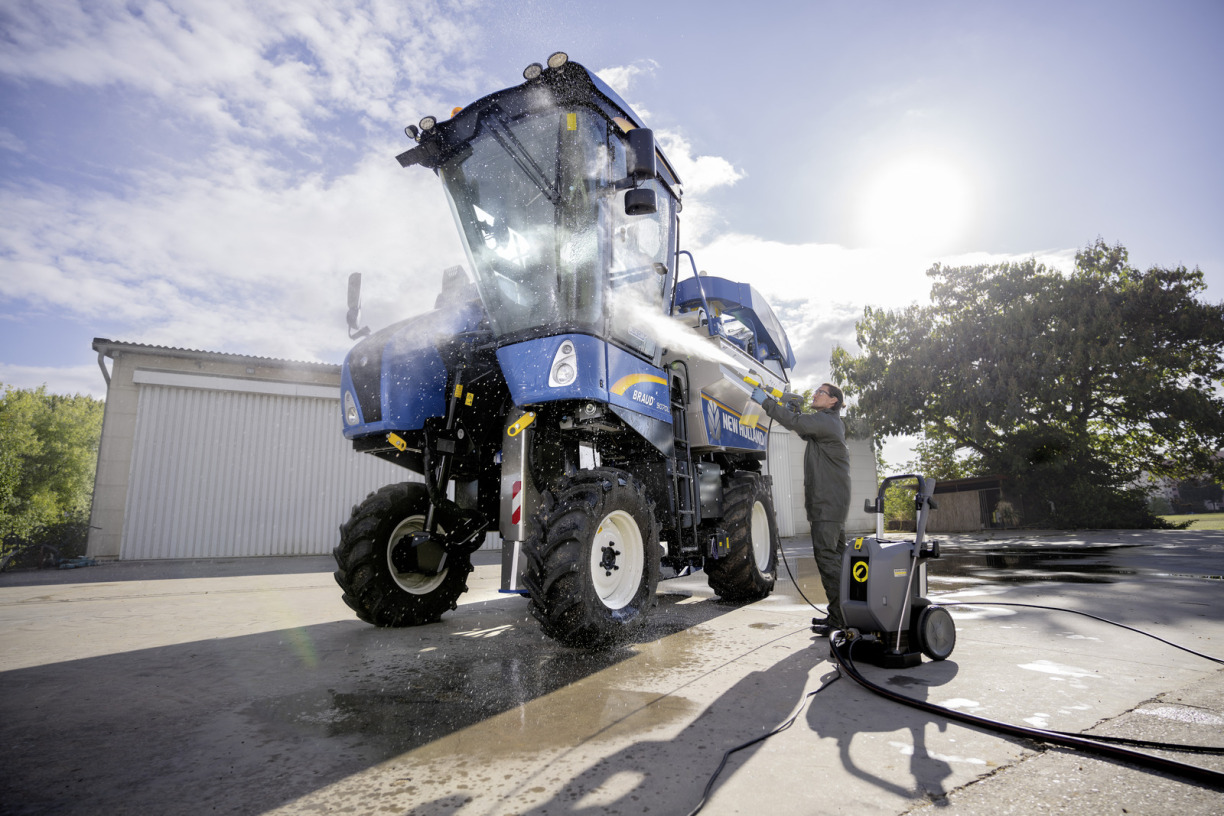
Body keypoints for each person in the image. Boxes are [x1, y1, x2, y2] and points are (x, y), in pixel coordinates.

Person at [750, 382, 851, 635]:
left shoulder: (827, 421)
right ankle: (842, 615)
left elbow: (798, 424)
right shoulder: (830, 423)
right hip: (832, 503)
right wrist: (792, 412)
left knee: (828, 560)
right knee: (837, 560)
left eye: (821, 393)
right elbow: (804, 430)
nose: (815, 394)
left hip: (827, 504)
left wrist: (767, 402)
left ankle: (840, 620)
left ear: (833, 401)